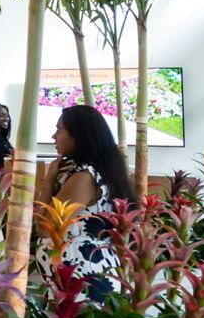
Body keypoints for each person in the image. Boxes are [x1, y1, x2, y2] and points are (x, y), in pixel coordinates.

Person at [36, 104, 136, 299]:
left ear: (78, 136)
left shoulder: (84, 177)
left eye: (59, 129)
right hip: (86, 274)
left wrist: (48, 181)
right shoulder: (100, 172)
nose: (53, 136)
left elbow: (45, 229)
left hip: (81, 280)